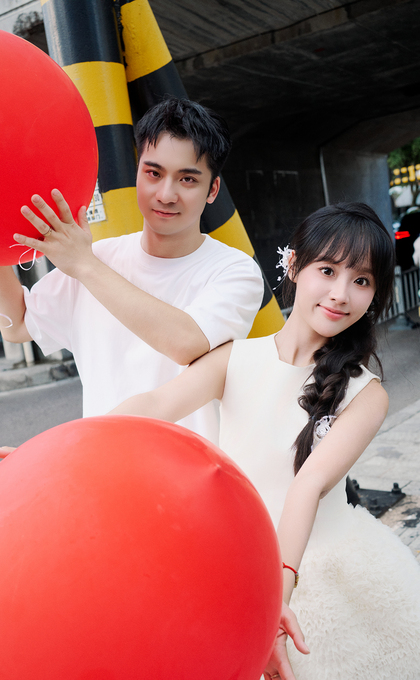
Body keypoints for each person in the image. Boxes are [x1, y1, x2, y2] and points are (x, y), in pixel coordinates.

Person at [107, 203, 420, 680]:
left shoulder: (366, 394)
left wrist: (276, 602)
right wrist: (53, 449)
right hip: (233, 564)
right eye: (328, 270)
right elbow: (155, 405)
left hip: (308, 575)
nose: (341, 293)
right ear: (293, 265)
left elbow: (307, 486)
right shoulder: (235, 358)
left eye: (362, 280)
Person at [0, 98, 263, 443]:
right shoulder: (98, 258)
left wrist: (84, 265)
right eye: (153, 173)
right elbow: (18, 325)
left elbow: (186, 343)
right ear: (137, 171)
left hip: (190, 470)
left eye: (187, 179)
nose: (165, 194)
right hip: (103, 463)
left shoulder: (234, 271)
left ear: (212, 189)